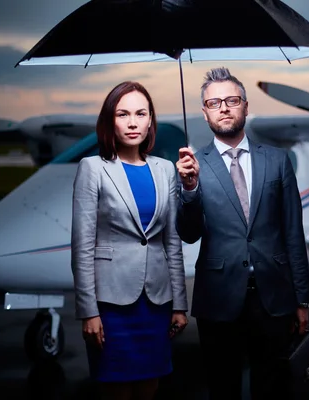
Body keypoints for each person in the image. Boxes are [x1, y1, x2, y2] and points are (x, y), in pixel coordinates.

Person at [175, 67, 309, 400]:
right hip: (218, 299)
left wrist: (303, 298)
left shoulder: (277, 161)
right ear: (205, 112)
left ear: (246, 106)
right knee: (224, 389)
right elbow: (189, 234)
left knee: (274, 388)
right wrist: (189, 189)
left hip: (274, 298)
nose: (223, 107)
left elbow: (293, 231)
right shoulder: (193, 164)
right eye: (214, 102)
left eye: (231, 100)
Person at [71, 81, 188, 400]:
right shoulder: (92, 168)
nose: (133, 122)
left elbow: (172, 244)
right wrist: (88, 311)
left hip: (156, 303)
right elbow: (82, 246)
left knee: (150, 386)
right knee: (117, 389)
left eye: (141, 113)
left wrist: (179, 304)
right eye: (123, 114)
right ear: (110, 120)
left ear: (151, 120)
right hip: (111, 306)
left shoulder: (165, 170)